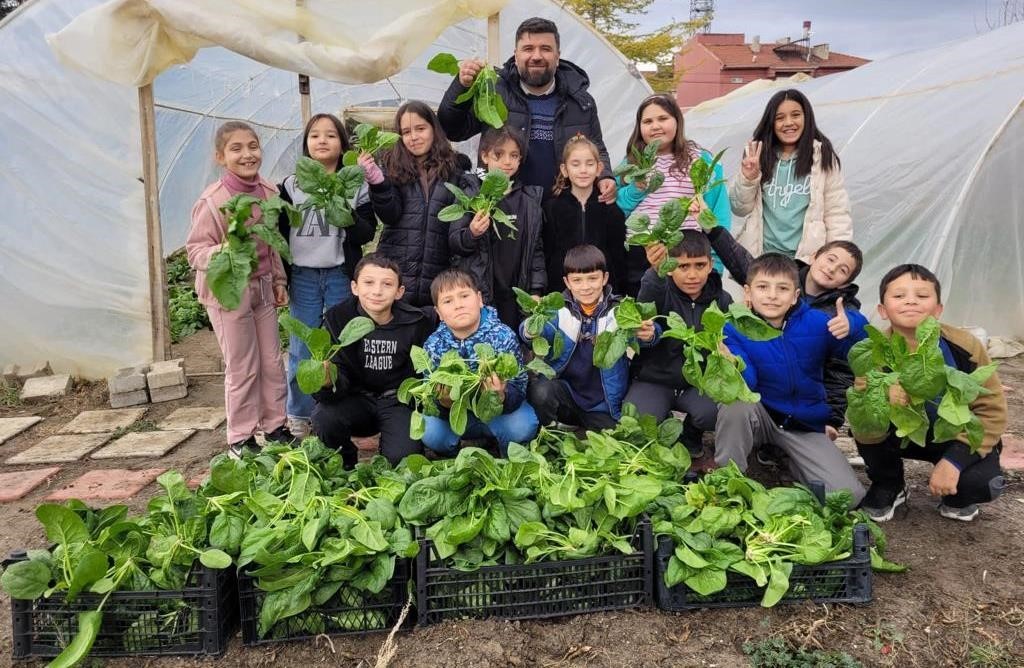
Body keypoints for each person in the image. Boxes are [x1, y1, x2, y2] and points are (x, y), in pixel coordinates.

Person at [852, 264, 1006, 522]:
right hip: (901, 435)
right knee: (866, 421)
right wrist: (879, 394)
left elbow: (992, 410)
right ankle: (889, 483)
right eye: (899, 296)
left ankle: (956, 490)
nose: (910, 301)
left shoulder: (964, 346)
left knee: (981, 484)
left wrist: (954, 461)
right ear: (882, 310)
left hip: (952, 434)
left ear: (938, 309)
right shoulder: (872, 350)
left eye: (922, 296)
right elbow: (860, 411)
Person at [714, 253, 868, 506]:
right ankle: (728, 480)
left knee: (848, 498)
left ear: (796, 295)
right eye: (763, 287)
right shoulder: (733, 327)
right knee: (735, 405)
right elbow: (748, 383)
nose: (772, 295)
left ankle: (794, 463)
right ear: (748, 293)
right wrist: (732, 363)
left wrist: (852, 325)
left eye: (782, 288)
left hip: (803, 423)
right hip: (762, 413)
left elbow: (857, 352)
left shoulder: (817, 323)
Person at [185, 121, 294, 457]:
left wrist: (278, 280)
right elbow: (195, 251)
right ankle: (241, 437)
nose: (247, 154)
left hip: (261, 287)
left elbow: (273, 244)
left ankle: (275, 426)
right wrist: (224, 251)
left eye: (253, 146)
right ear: (221, 157)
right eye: (236, 148)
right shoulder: (214, 200)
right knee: (242, 364)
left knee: (273, 362)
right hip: (228, 291)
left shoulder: (269, 192)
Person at [706, 222, 866, 441]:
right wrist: (712, 228)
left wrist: (833, 419)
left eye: (842, 270)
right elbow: (742, 262)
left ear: (846, 283)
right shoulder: (782, 277)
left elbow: (843, 366)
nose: (832, 269)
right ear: (814, 256)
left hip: (807, 402)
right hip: (766, 394)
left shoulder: (839, 312)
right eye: (830, 259)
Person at [437, 17, 617, 201]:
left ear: (557, 56)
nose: (537, 56)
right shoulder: (494, 93)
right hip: (505, 208)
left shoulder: (580, 101)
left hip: (561, 211)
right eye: (528, 48)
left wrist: (605, 176)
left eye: (546, 49)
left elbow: (597, 146)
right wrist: (461, 85)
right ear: (516, 55)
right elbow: (452, 130)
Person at [277, 113, 377, 437]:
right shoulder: (292, 186)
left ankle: (338, 409)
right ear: (306, 144)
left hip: (339, 272)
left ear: (342, 144)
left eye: (331, 135)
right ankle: (299, 414)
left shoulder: (354, 183)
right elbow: (279, 233)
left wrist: (343, 209)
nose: (323, 141)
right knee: (301, 346)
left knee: (344, 343)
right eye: (315, 135)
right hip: (304, 276)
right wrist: (281, 276)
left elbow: (365, 232)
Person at [310, 254, 435, 468]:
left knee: (401, 461)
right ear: (354, 287)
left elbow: (425, 373)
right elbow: (326, 390)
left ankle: (393, 446)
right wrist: (327, 382)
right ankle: (346, 460)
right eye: (368, 282)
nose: (377, 291)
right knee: (323, 417)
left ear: (399, 292)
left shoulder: (416, 323)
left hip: (398, 402)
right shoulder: (337, 320)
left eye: (387, 284)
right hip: (355, 399)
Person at [523, 245, 656, 432]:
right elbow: (530, 332)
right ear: (567, 283)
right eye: (577, 280)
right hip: (567, 394)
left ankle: (584, 426)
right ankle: (551, 430)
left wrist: (650, 333)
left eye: (593, 278)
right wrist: (530, 329)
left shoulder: (620, 310)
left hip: (603, 403)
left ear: (605, 278)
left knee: (620, 437)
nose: (585, 287)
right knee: (539, 391)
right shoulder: (557, 310)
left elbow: (646, 330)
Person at [625, 231, 732, 461]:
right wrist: (656, 270)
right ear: (671, 267)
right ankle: (663, 424)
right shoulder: (659, 289)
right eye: (683, 266)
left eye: (699, 265)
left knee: (716, 412)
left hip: (698, 383)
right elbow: (646, 303)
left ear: (711, 264)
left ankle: (691, 432)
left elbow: (732, 343)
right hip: (656, 379)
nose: (692, 275)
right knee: (636, 418)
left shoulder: (722, 300)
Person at [362, 101, 476, 307]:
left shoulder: (455, 170)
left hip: (438, 273)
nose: (413, 137)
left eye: (420, 129)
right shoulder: (392, 167)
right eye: (406, 132)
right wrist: (379, 185)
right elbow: (390, 215)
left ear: (434, 129)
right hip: (397, 271)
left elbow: (457, 226)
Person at [616, 94, 731, 294]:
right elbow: (618, 210)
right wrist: (636, 189)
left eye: (663, 119)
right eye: (648, 121)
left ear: (678, 121)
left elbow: (717, 212)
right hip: (641, 254)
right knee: (646, 317)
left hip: (687, 256)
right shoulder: (631, 163)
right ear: (639, 127)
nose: (655, 126)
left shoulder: (700, 160)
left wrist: (716, 265)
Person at [420, 268, 539, 457]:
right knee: (430, 431)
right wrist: (444, 403)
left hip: (496, 415)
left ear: (480, 299)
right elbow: (429, 396)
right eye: (448, 301)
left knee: (523, 426)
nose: (458, 305)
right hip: (458, 416)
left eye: (464, 296)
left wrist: (502, 396)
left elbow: (520, 386)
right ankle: (453, 456)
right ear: (439, 312)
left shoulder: (503, 335)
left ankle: (504, 450)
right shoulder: (434, 344)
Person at [730, 89, 851, 262]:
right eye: (780, 118)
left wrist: (836, 257)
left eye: (795, 115)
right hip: (763, 258)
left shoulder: (821, 156)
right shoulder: (759, 155)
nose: (788, 123)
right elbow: (740, 209)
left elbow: (837, 212)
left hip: (806, 260)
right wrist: (749, 177)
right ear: (771, 123)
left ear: (806, 117)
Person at [449, 125, 546, 330]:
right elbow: (454, 242)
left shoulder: (528, 201)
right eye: (498, 154)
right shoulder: (471, 194)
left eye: (514, 155)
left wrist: (536, 291)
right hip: (481, 292)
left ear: (520, 160)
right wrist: (472, 233)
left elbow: (535, 251)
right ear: (484, 156)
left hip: (515, 294)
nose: (506, 162)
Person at [543, 134, 628, 294]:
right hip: (562, 292)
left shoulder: (611, 211)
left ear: (599, 168)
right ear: (564, 169)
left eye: (589, 164)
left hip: (602, 292)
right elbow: (548, 254)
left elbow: (618, 258)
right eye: (575, 164)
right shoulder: (551, 209)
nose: (583, 170)